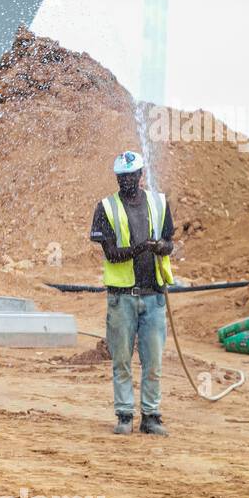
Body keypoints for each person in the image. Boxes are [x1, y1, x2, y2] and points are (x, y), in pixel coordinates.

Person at [89, 150, 175, 436]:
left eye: (131, 176)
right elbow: (112, 254)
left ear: (141, 176)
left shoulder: (159, 203)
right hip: (122, 297)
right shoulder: (105, 208)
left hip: (153, 295)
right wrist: (142, 246)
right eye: (121, 177)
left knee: (153, 361)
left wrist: (162, 247)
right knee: (122, 359)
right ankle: (124, 414)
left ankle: (150, 416)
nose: (126, 181)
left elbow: (169, 240)